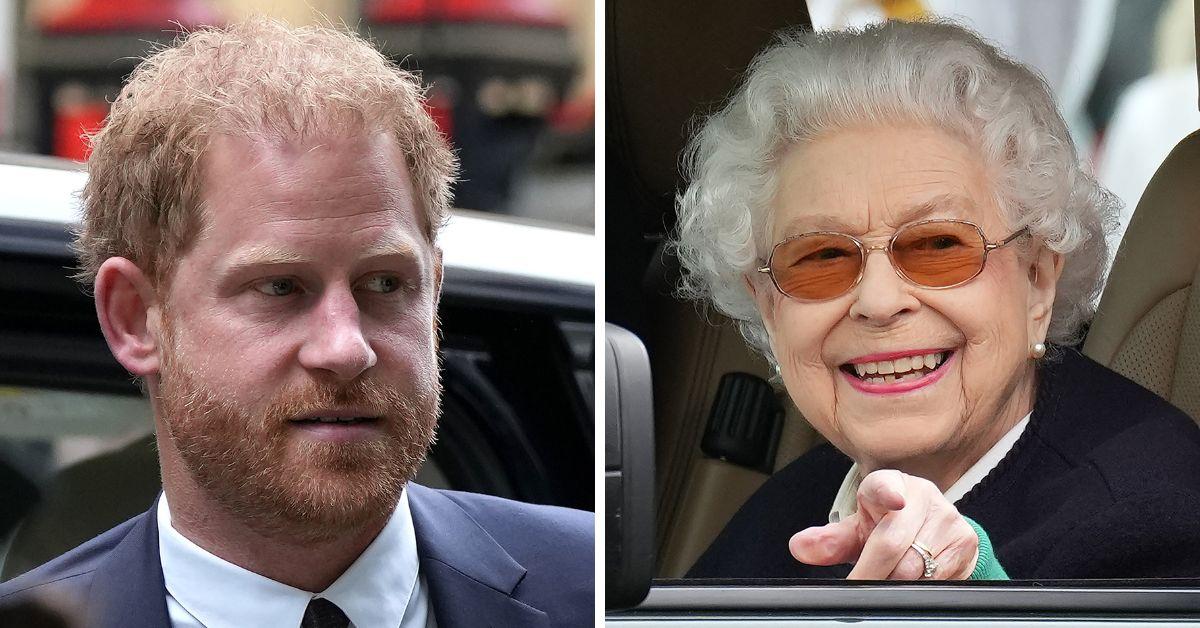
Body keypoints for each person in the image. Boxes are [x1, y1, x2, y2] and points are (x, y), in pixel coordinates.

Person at [0, 18, 592, 626]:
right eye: (280, 288)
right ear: (135, 318)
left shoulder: (596, 590)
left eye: (386, 284)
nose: (346, 347)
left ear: (433, 291)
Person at [675, 19, 1200, 580]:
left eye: (939, 245)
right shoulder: (793, 509)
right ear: (766, 303)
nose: (878, 301)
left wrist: (975, 587)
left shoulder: (1151, 522)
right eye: (822, 258)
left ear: (1039, 282)